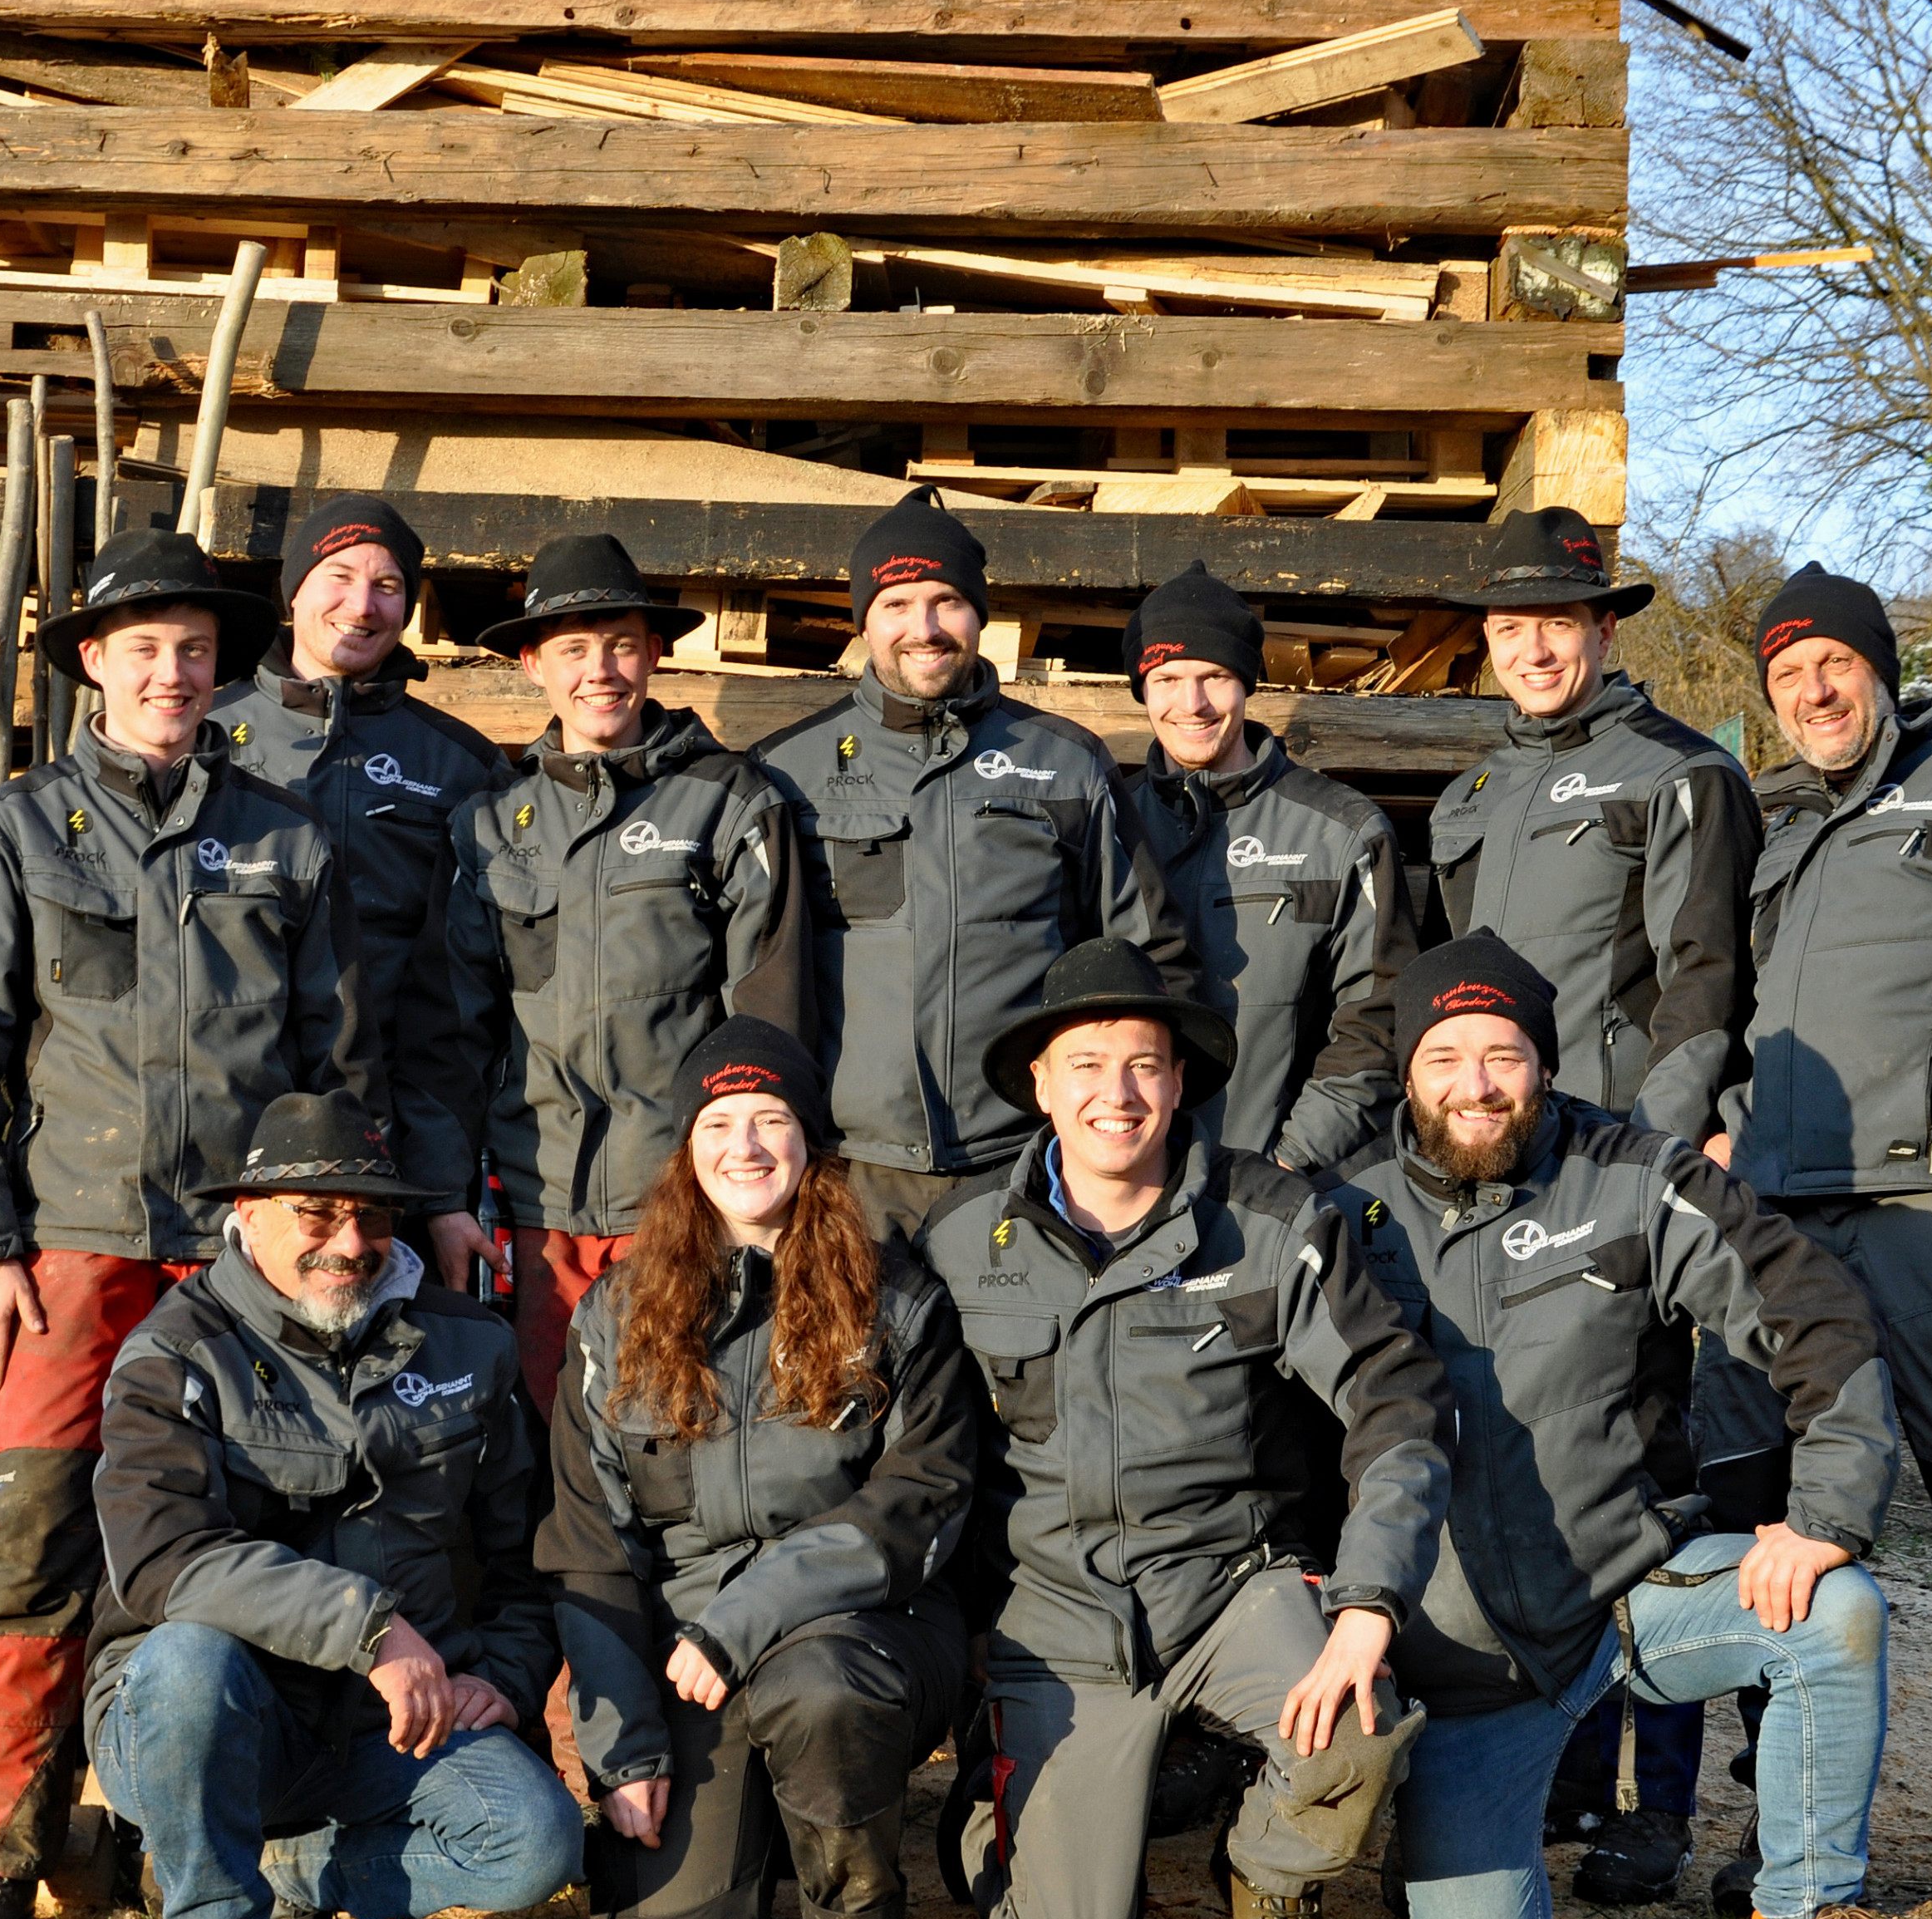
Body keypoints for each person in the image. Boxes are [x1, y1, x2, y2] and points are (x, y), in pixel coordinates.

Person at [1320, 932, 1932, 1919]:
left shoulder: (1643, 1180)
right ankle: (1430, 1824)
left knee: (1836, 1613)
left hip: (1624, 1602)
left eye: (1503, 1054)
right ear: (1406, 1070)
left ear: (1545, 1065)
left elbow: (1817, 1316)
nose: (1476, 1083)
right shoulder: (1339, 1214)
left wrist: (1826, 1513)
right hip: (1462, 1661)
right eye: (1446, 1054)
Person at [0, 528, 384, 1919]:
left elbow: (340, 1063)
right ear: (91, 669)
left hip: (248, 1267)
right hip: (79, 1250)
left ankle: (289, 1850)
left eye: (191, 649)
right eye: (141, 649)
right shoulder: (20, 833)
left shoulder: (291, 839)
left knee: (276, 1529)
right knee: (31, 1536)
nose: (170, 671)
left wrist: (327, 1245)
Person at [918, 938, 1453, 1919]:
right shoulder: (964, 1242)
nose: (1117, 1094)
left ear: (1180, 1082)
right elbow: (923, 1457)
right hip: (1058, 1625)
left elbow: (1396, 1405)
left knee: (1360, 1720)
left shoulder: (1270, 1226)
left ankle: (1266, 1878)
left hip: (1230, 1591)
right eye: (1086, 1064)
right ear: (1039, 1083)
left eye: (1146, 1065)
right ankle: (995, 1811)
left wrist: (1366, 1602)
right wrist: (956, 1627)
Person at [86, 1090, 579, 1919]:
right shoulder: (171, 1352)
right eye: (317, 1213)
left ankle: (284, 1873)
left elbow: (532, 1551)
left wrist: (508, 1676)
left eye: (372, 1215)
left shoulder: (468, 1344)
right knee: (189, 1656)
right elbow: (159, 1558)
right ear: (249, 1215)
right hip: (207, 1720)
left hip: (386, 1726)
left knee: (536, 1843)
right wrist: (371, 1629)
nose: (348, 1243)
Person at [1423, 508, 1763, 1906]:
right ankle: (1564, 1758)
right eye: (1510, 627)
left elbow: (1702, 979)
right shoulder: (1471, 795)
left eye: (1556, 622)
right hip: (1505, 1174)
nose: (1534, 646)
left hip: (1627, 1179)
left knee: (1650, 1476)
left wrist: (1659, 1167)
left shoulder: (1678, 773)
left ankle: (1656, 1807)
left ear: (1602, 628)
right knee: (1533, 1459)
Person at [539, 1018, 977, 1919]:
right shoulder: (615, 1313)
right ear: (687, 1151)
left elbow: (922, 1493)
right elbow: (587, 1539)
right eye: (719, 1122)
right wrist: (626, 1748)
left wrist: (750, 1612)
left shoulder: (894, 1296)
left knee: (820, 1691)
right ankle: (768, 1829)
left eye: (771, 1119)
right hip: (685, 1661)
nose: (744, 1145)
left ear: (810, 1144)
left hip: (858, 1630)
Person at [407, 533, 814, 1409]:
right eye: (573, 648)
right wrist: (444, 1198)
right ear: (530, 664)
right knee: (546, 1437)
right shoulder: (490, 825)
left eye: (622, 644)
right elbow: (449, 1033)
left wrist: (751, 1194)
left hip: (679, 1197)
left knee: (680, 1423)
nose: (601, 670)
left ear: (655, 653)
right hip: (531, 1201)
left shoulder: (730, 802)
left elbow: (768, 1012)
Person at [1696, 565, 1932, 1907]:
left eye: (1832, 664)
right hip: (1783, 1221)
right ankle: (1778, 1816)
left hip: (1923, 1210)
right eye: (1787, 676)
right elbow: (1749, 1018)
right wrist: (1733, 1126)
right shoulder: (1786, 835)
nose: (1812, 689)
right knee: (1770, 1513)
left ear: (1877, 665)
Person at [756, 489, 1188, 1247]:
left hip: (1024, 1160)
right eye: (895, 604)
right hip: (854, 1172)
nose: (922, 629)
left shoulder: (1064, 762)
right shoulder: (789, 773)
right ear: (863, 621)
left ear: (980, 614)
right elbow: (757, 980)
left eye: (946, 601)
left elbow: (1144, 957)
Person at [1123, 558, 1415, 1170]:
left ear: (1248, 683)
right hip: (1126, 1190)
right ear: (1142, 688)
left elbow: (1378, 1019)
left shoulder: (1343, 831)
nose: (1193, 703)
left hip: (1285, 1187)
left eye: (1215, 676)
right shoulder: (1108, 825)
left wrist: (1291, 1163)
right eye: (1169, 678)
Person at [211, 493, 509, 1085]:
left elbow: (484, 966)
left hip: (397, 1096)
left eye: (388, 586)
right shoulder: (205, 732)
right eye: (339, 576)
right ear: (293, 591)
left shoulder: (461, 764)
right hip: (231, 1088)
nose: (362, 604)